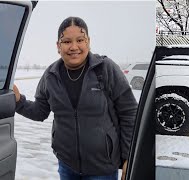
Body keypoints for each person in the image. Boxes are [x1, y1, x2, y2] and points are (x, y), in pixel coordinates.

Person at [13, 16, 138, 180]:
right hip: (67, 165)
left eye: (80, 40)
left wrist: (129, 156)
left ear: (88, 42)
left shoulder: (105, 69)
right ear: (58, 46)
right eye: (66, 42)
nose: (74, 47)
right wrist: (18, 101)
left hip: (103, 169)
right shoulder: (51, 76)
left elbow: (129, 112)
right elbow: (40, 111)